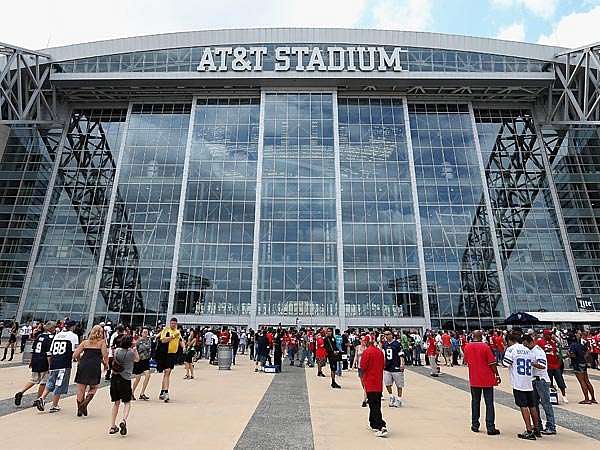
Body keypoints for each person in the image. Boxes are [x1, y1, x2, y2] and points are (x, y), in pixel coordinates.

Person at [34, 320, 79, 413]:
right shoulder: (74, 336)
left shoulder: (57, 335)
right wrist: (78, 360)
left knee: (50, 382)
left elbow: (50, 352)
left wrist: (50, 364)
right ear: (73, 326)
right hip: (64, 363)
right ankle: (54, 405)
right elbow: (75, 352)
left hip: (54, 361)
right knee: (59, 383)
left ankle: (42, 397)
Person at [503, 332, 540, 440]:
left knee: (523, 406)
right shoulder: (528, 350)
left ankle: (529, 430)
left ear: (509, 341)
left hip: (518, 382)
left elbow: (506, 363)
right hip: (529, 381)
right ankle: (536, 428)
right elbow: (533, 362)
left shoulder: (511, 349)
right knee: (532, 406)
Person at [463, 330, 501, 436]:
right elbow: (492, 363)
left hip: (474, 379)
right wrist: (497, 374)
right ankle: (490, 427)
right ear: (481, 336)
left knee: (475, 402)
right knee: (489, 403)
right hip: (487, 378)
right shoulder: (485, 347)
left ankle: (475, 425)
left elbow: (466, 360)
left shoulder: (467, 347)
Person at [14, 321, 56, 406]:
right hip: (44, 361)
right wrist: (50, 365)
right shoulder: (51, 338)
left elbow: (33, 350)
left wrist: (31, 361)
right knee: (44, 381)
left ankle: (21, 392)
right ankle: (38, 399)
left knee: (33, 379)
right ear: (51, 328)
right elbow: (48, 353)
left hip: (36, 359)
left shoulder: (39, 336)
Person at [522, 334, 556, 435]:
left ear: (531, 342)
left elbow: (542, 365)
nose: (525, 347)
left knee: (546, 404)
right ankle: (538, 424)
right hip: (534, 380)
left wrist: (531, 363)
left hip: (541, 380)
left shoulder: (538, 351)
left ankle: (551, 426)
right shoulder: (530, 351)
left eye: (526, 344)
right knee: (534, 404)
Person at [73, 325, 108, 417]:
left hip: (83, 365)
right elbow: (105, 356)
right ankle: (85, 403)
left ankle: (79, 409)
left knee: (81, 388)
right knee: (94, 387)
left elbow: (75, 354)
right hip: (95, 365)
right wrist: (106, 365)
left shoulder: (85, 342)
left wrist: (79, 360)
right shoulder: (102, 342)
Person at [109, 335, 139, 436]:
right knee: (127, 402)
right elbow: (137, 359)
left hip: (115, 377)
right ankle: (123, 420)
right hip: (125, 378)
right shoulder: (131, 353)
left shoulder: (117, 350)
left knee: (116, 403)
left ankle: (112, 426)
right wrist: (135, 349)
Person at [360, 335, 388, 438]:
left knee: (373, 405)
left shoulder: (367, 352)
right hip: (378, 382)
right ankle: (373, 423)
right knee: (376, 403)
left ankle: (381, 425)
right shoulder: (379, 352)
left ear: (367, 342)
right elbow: (383, 365)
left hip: (370, 382)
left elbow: (363, 366)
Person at [156, 318, 185, 402]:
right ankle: (166, 392)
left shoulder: (177, 332)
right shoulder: (166, 330)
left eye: (174, 324)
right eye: (172, 323)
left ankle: (162, 391)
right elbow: (163, 340)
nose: (173, 325)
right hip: (165, 354)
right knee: (167, 371)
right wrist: (172, 337)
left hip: (173, 354)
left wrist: (184, 347)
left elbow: (180, 340)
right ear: (170, 323)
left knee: (167, 373)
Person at [538, 330, 568, 404]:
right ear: (545, 335)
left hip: (555, 365)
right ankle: (547, 396)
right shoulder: (539, 342)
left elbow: (558, 351)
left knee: (560, 380)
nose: (551, 336)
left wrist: (559, 362)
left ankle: (564, 395)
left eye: (551, 335)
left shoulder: (553, 342)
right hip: (547, 366)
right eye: (549, 335)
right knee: (548, 382)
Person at [569, 331, 596, 404]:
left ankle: (586, 398)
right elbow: (587, 351)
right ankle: (593, 398)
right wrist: (584, 357)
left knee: (582, 381)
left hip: (577, 364)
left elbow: (573, 355)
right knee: (587, 381)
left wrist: (568, 355)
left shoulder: (573, 345)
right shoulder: (581, 344)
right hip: (583, 362)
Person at [382, 330, 405, 407]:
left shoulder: (397, 344)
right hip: (387, 367)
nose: (386, 336)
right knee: (387, 383)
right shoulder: (384, 344)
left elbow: (401, 354)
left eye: (388, 334)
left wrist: (402, 363)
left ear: (391, 335)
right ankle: (391, 396)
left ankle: (399, 399)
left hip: (396, 366)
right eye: (385, 334)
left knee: (399, 384)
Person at [132, 327, 152, 400]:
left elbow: (149, 349)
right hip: (139, 360)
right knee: (138, 378)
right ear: (141, 333)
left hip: (146, 360)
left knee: (148, 375)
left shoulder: (149, 340)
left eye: (146, 332)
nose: (145, 334)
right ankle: (132, 392)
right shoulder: (138, 341)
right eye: (144, 332)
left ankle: (142, 393)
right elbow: (134, 349)